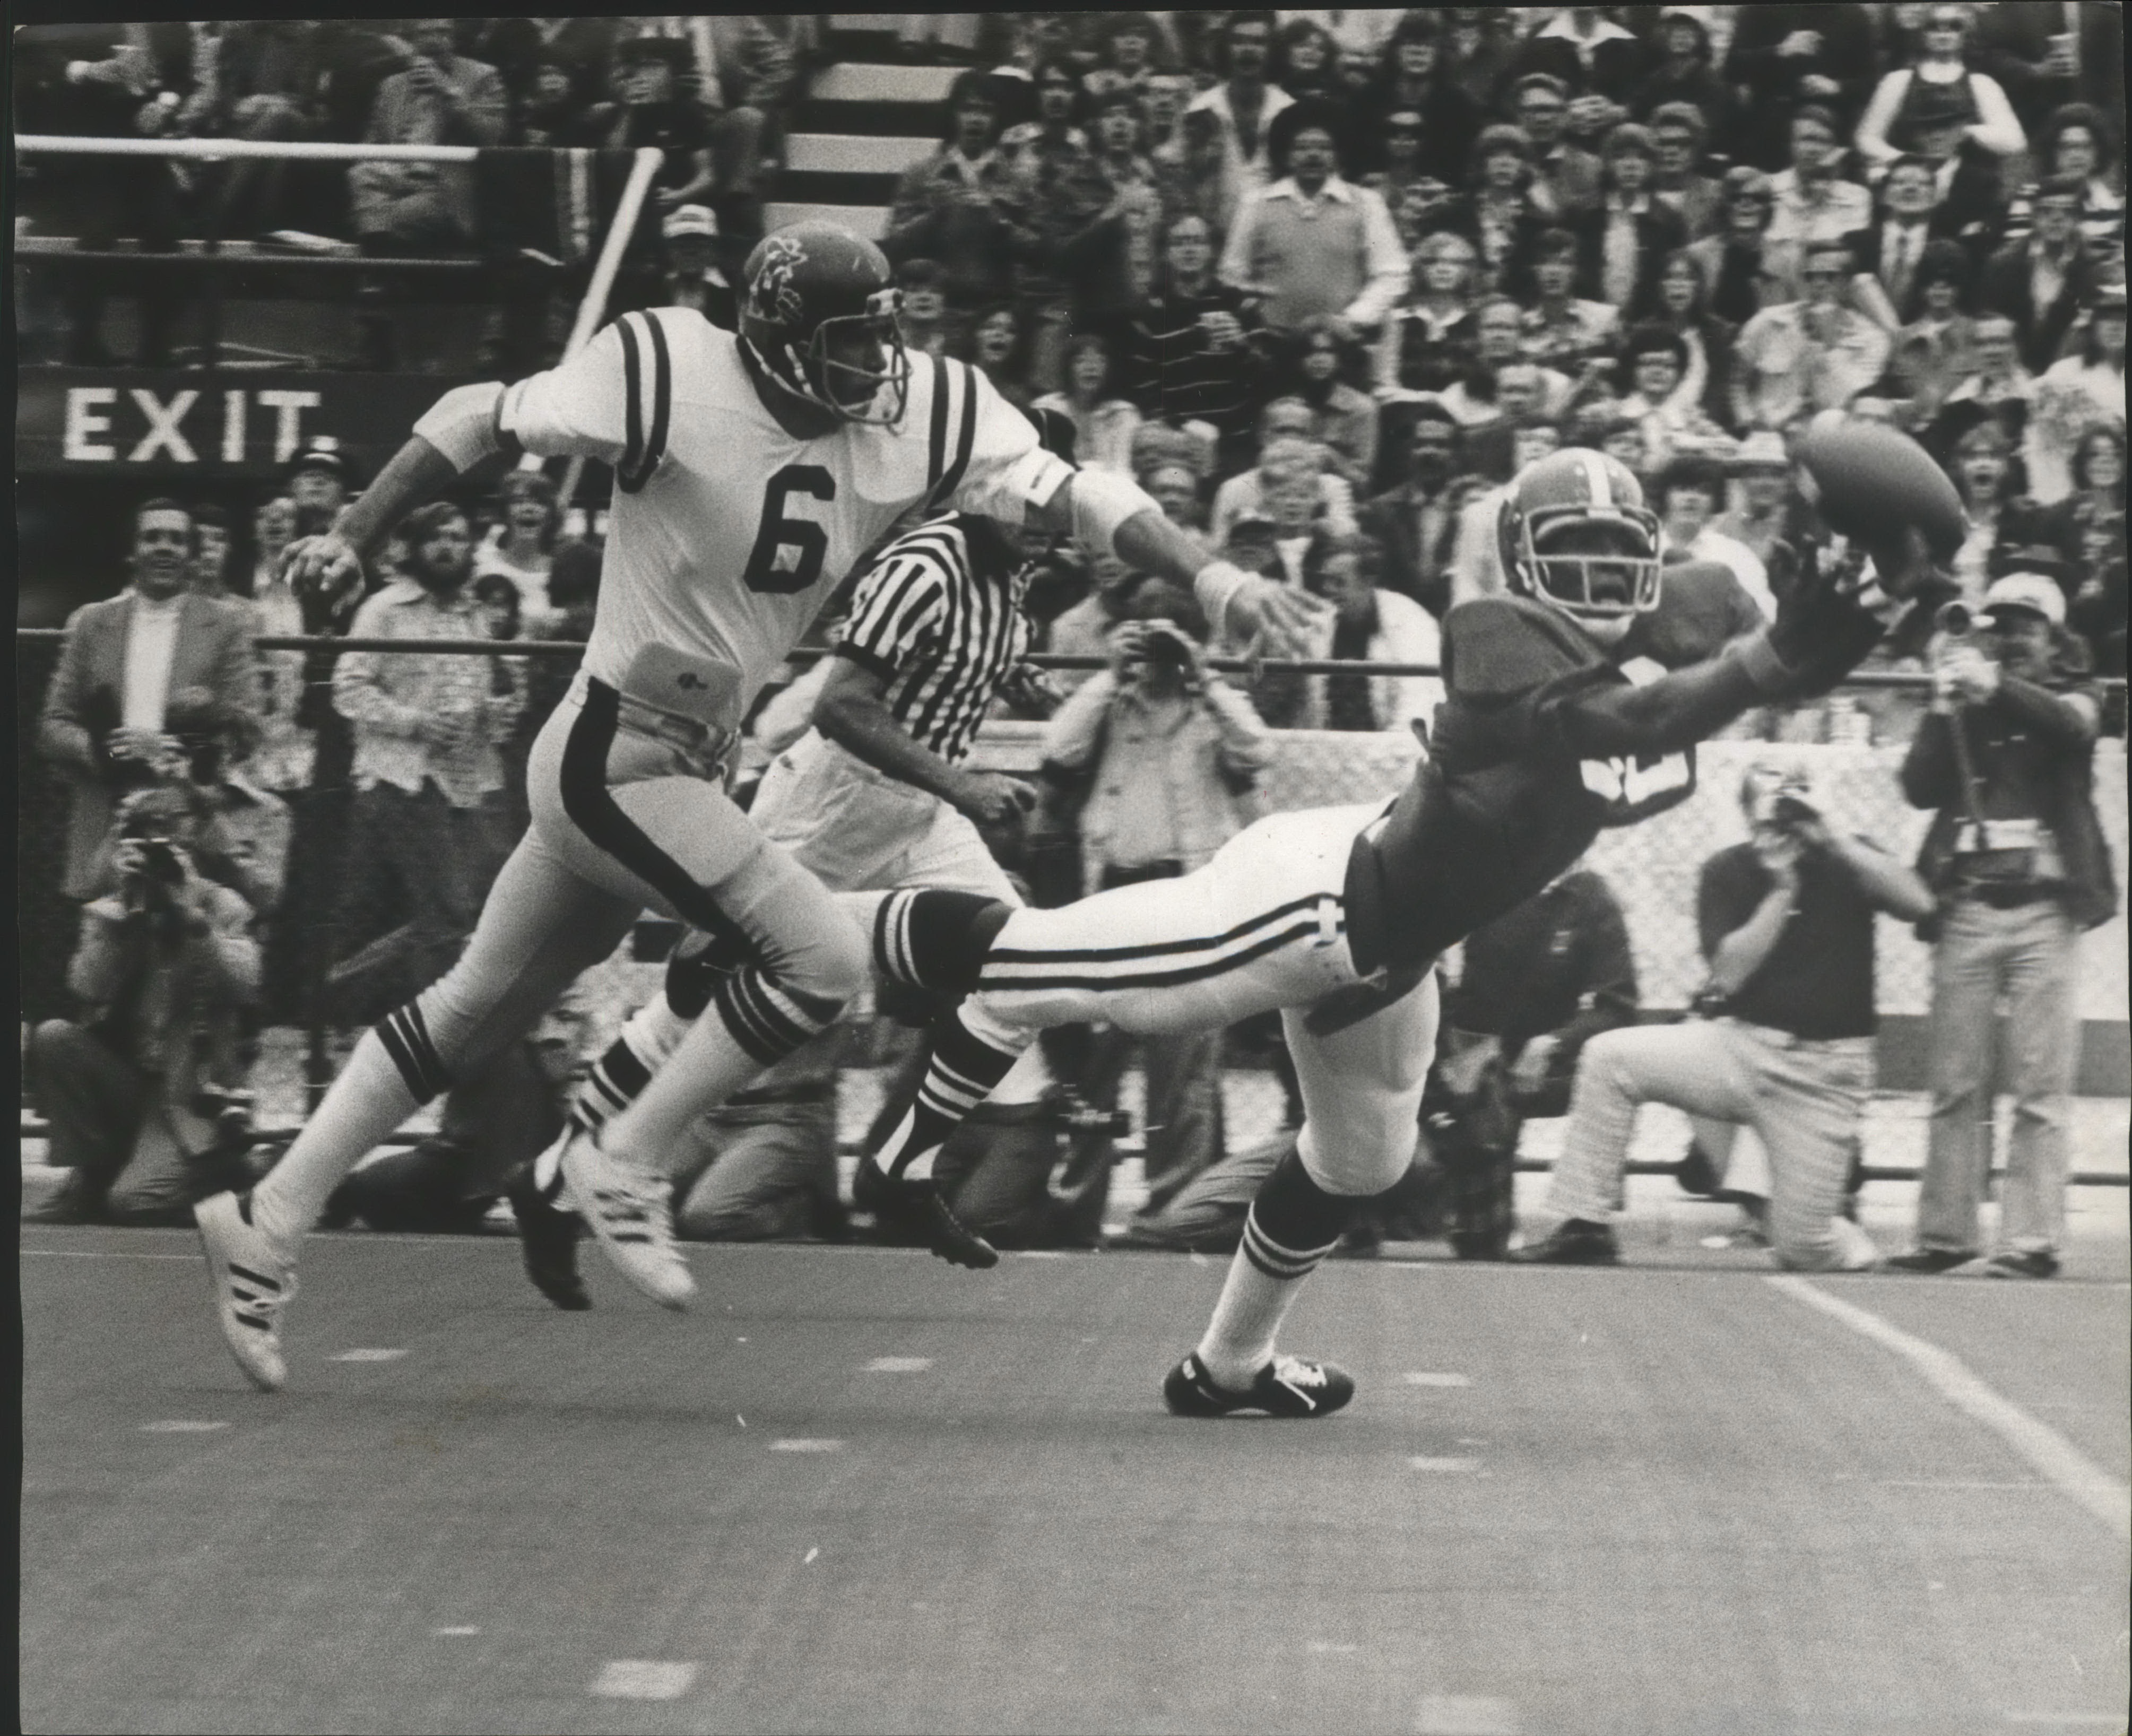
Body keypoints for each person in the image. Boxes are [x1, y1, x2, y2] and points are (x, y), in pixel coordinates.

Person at [191, 217, 1320, 1392]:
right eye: (845, 342)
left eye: (881, 336)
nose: (872, 367)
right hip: (610, 752)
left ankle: (267, 1221)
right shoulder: (666, 367)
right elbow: (482, 410)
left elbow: (1078, 488)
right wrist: (352, 530)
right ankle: (620, 1155)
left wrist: (1210, 572)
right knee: (820, 962)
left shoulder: (915, 408)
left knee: (471, 1004)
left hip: (683, 760)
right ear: (777, 341)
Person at [850, 437, 1952, 1417]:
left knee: (1359, 1159)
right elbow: (1640, 715)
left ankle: (1228, 1367)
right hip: (1308, 902)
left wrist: (1870, 612)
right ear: (1521, 561)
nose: (1604, 576)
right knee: (1045, 966)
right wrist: (1779, 653)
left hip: (1392, 955)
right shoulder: (1492, 631)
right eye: (1574, 550)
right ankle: (819, 955)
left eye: (1621, 550)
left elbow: (1768, 663)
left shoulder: (1682, 608)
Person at [1522, 761, 1935, 1270]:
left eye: (1794, 802)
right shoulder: (1727, 871)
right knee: (1610, 1058)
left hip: (1824, 1074)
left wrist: (1832, 838)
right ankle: (1584, 1225)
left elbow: (1920, 903)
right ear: (1747, 813)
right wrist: (1782, 890)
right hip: (1740, 1049)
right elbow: (1730, 974)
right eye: (1770, 808)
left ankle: (1857, 1247)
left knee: (1804, 1246)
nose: (1782, 821)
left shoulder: (1851, 858)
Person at [1890, 571, 2117, 1279]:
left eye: (2028, 626)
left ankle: (2031, 1241)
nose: (2013, 638)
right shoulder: (1969, 700)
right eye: (2003, 625)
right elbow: (1917, 786)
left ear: (2054, 639)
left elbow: (2072, 728)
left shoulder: (2079, 692)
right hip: (1969, 904)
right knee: (1955, 1079)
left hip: (2045, 910)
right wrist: (1940, 705)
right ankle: (1944, 1235)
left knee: (2039, 1081)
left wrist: (1994, 687)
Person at [27, 782, 263, 1226]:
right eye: (148, 837)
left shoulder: (222, 905)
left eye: (170, 836)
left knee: (134, 1204)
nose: (160, 853)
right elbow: (87, 986)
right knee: (55, 1038)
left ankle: (239, 1175)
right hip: (134, 1082)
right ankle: (91, 1177)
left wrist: (190, 911)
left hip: (192, 1095)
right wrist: (124, 913)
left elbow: (244, 984)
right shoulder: (118, 908)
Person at [326, 502, 521, 1027]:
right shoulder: (384, 608)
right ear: (414, 548)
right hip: (401, 776)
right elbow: (347, 688)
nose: (447, 547)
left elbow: (481, 692)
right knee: (450, 910)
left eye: (458, 537)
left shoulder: (475, 615)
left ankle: (342, 984)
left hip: (468, 781)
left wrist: (492, 714)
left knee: (472, 907)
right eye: (436, 537)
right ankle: (438, 1028)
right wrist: (414, 722)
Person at [38, 497, 262, 904]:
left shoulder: (227, 626)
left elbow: (247, 725)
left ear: (192, 556)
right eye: (151, 537)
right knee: (104, 953)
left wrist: (184, 745)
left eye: (176, 540)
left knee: (188, 951)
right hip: (108, 813)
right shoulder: (93, 623)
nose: (164, 547)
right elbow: (54, 724)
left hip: (188, 816)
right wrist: (107, 749)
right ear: (132, 552)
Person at [1426, 865, 1639, 1262]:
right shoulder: (1470, 881)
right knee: (1480, 1246)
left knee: (1617, 1066)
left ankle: (1587, 1226)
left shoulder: (1587, 895)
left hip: (1549, 1064)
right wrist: (1460, 1057)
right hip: (1468, 1066)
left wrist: (1553, 1044)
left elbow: (1618, 1007)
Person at [325, 992, 590, 1235]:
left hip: (454, 1179)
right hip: (433, 1183)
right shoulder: (511, 1063)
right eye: (560, 1022)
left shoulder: (534, 1078)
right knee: (376, 1190)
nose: (562, 1043)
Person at [1216, 98, 1408, 341]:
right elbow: (1232, 274)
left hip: (1341, 343)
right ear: (1286, 156)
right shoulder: (1256, 203)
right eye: (1302, 147)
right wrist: (1258, 320)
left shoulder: (1366, 204)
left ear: (1337, 155)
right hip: (1271, 343)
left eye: (1324, 147)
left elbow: (1392, 273)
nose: (1313, 155)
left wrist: (1353, 319)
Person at [346, 18, 507, 255]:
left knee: (383, 218)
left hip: (443, 185)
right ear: (411, 41)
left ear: (454, 37)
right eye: (425, 33)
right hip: (392, 179)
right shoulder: (392, 85)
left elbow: (492, 138)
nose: (434, 40)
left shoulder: (483, 76)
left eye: (442, 32)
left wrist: (448, 90)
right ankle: (378, 264)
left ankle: (374, 266)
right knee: (361, 174)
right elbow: (370, 147)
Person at [881, 69, 1027, 314]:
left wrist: (998, 222)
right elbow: (894, 247)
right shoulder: (922, 175)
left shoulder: (1016, 179)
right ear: (953, 114)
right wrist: (936, 215)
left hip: (995, 314)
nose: (976, 119)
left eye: (986, 111)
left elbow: (1035, 252)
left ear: (998, 119)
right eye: (968, 109)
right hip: (938, 311)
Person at [1732, 239, 1895, 430]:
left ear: (1848, 283)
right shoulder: (1769, 322)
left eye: (1830, 276)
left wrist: (1828, 343)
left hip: (1832, 438)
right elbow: (1738, 382)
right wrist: (1746, 419)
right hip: (1770, 433)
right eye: (1811, 276)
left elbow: (1845, 400)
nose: (1819, 284)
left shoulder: (1872, 339)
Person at [1299, 530, 1442, 734]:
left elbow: (1419, 702)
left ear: (1368, 581)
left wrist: (1381, 753)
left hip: (1390, 747)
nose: (1328, 589)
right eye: (1326, 580)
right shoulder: (1320, 623)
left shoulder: (1411, 621)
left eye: (1339, 582)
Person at [1854, 4, 2026, 172]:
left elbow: (2015, 143)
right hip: (1911, 177)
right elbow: (1866, 138)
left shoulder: (1981, 84)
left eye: (1954, 26)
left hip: (1966, 180)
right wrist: (1906, 161)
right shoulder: (1898, 81)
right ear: (1922, 33)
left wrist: (1969, 132)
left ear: (1966, 33)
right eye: (1933, 27)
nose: (1943, 34)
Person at [1181, 11, 1294, 233]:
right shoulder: (1202, 108)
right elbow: (1189, 181)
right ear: (1226, 48)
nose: (1248, 50)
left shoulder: (1288, 109)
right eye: (1238, 41)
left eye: (1259, 42)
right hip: (1214, 238)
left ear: (1272, 51)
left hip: (1274, 237)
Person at [1980, 175, 2104, 375]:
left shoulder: (2094, 269)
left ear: (2078, 218)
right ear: (2034, 216)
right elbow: (1991, 326)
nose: (2057, 219)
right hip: (2011, 373)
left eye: (2066, 211)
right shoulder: (2003, 265)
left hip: (2072, 375)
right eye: (2047, 211)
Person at [1359, 405, 1464, 619]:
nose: (1430, 452)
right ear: (1408, 451)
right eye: (1421, 444)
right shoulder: (1381, 510)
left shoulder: (1471, 510)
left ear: (1456, 455)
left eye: (1441, 445)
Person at [656, 203, 739, 328]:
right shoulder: (652, 291)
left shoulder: (733, 294)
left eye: (699, 244)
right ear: (669, 249)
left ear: (713, 248)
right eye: (682, 245)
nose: (690, 252)